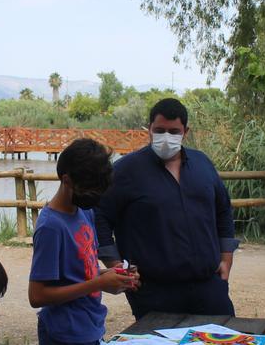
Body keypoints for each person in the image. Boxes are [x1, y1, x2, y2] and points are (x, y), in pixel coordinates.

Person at [95, 98, 239, 318]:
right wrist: (116, 265)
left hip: (209, 285)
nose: (166, 137)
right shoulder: (126, 171)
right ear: (149, 129)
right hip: (153, 291)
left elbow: (223, 210)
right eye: (159, 130)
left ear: (185, 132)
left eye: (174, 131)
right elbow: (100, 217)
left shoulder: (203, 164)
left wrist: (226, 257)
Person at [28, 139, 137, 345]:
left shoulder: (84, 211)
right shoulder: (51, 228)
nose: (96, 197)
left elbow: (80, 273)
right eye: (91, 190)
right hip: (64, 336)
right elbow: (37, 296)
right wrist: (98, 284)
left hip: (91, 327)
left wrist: (114, 277)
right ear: (67, 180)